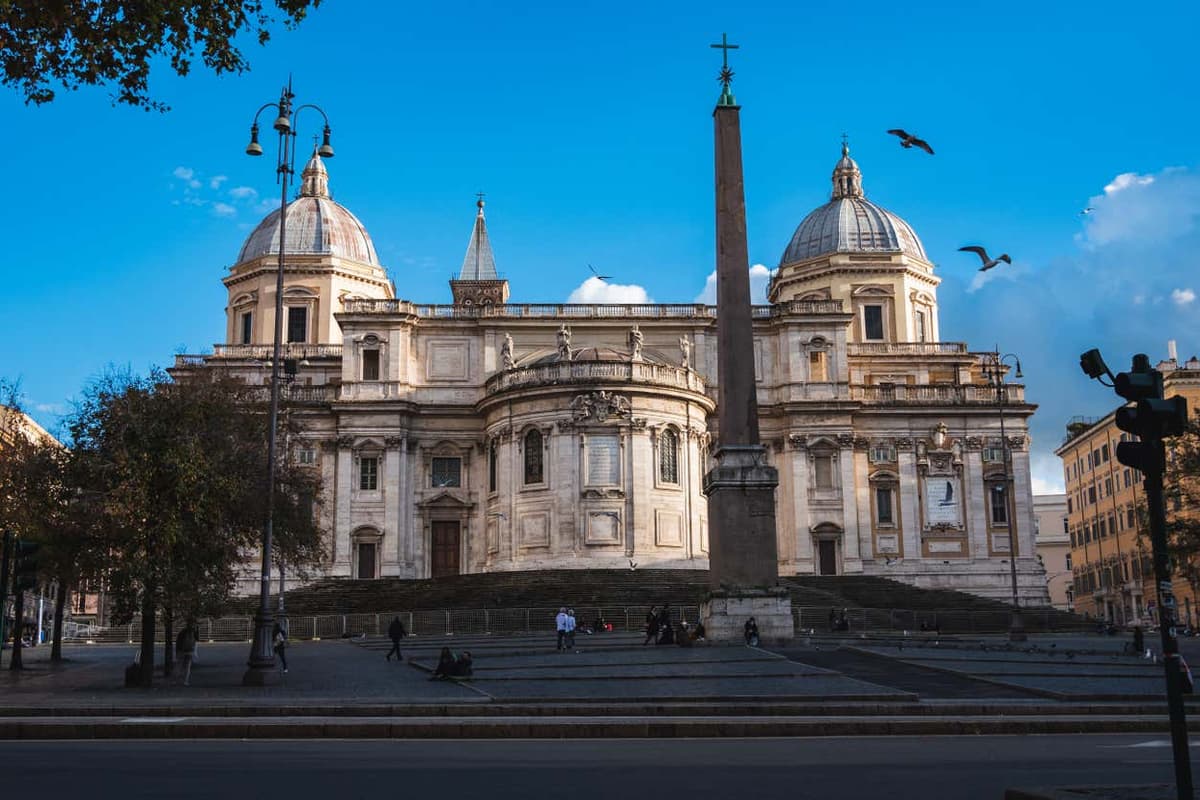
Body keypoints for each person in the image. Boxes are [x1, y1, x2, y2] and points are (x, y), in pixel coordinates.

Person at [176, 622, 198, 686]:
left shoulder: (182, 632)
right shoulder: (194, 632)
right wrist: (195, 652)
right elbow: (195, 642)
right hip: (190, 651)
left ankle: (176, 680)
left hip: (181, 651)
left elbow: (178, 643)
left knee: (179, 665)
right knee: (187, 667)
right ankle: (185, 681)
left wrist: (177, 652)